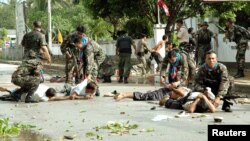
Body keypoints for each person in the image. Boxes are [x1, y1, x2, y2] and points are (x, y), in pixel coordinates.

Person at [176, 19, 196, 85]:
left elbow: (178, 36)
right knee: (188, 65)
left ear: (179, 24)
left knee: (187, 65)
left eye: (177, 24)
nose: (176, 26)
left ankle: (187, 80)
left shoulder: (182, 30)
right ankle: (189, 80)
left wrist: (177, 32)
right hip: (186, 51)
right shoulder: (184, 31)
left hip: (185, 51)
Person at [113, 86, 191, 102]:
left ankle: (123, 94)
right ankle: (124, 94)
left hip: (166, 93)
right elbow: (180, 93)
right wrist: (173, 88)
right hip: (165, 93)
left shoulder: (189, 91)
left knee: (146, 95)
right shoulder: (187, 93)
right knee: (145, 96)